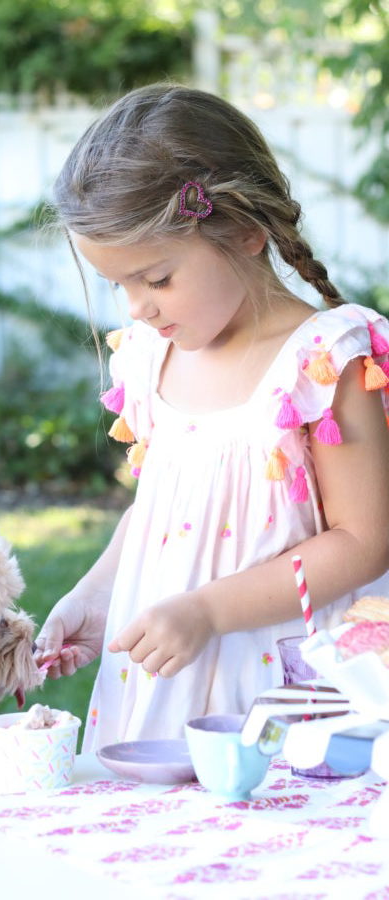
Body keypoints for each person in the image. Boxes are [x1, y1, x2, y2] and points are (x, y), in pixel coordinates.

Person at [34, 83, 389, 751]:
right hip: (162, 687)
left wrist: (207, 611)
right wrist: (97, 594)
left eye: (156, 278)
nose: (137, 306)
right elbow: (167, 519)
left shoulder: (321, 363)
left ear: (246, 230)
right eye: (119, 284)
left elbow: (364, 540)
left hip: (278, 695)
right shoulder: (150, 356)